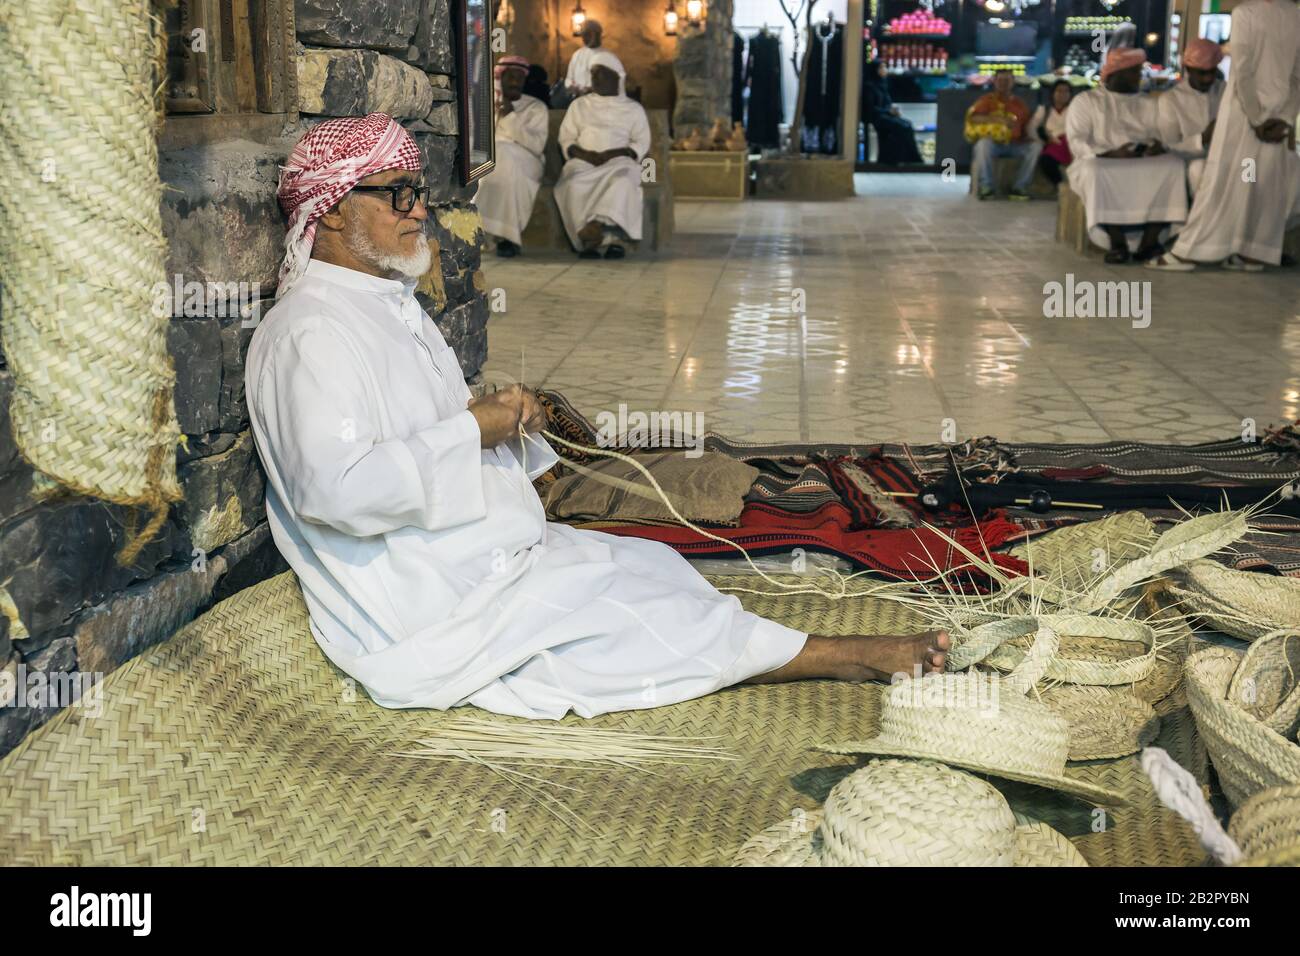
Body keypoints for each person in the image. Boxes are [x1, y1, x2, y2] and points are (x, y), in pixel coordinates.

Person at [246, 113, 950, 720]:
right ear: (331, 209)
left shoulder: (383, 301)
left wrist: (495, 422)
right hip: (421, 594)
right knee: (635, 616)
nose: (419, 211)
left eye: (418, 193)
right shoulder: (311, 331)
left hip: (469, 550)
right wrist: (475, 428)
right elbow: (337, 491)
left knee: (656, 566)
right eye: (396, 195)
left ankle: (761, 644)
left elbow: (418, 433)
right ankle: (840, 658)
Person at [1148, 0, 1300, 273]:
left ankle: (1190, 252)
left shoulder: (1245, 13)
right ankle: (1249, 252)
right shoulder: (1296, 14)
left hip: (1246, 115)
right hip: (1276, 119)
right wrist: (1284, 119)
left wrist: (1257, 120)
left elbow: (1243, 72)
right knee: (1254, 180)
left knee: (1223, 179)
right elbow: (1297, 76)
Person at [1065, 47, 1188, 264]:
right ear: (1116, 73)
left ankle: (1149, 241)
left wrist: (1157, 147)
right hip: (1101, 160)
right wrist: (1109, 153)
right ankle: (1117, 240)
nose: (1139, 77)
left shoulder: (1149, 103)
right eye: (1134, 72)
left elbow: (1164, 136)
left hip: (1142, 161)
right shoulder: (1087, 100)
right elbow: (1077, 140)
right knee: (1095, 171)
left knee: (1174, 165)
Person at [554, 52, 650, 259]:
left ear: (617, 77)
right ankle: (594, 241)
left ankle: (600, 231)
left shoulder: (633, 109)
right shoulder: (579, 105)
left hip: (619, 161)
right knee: (571, 184)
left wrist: (610, 154)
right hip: (583, 162)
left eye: (601, 74)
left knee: (624, 181)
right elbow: (567, 138)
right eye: (593, 74)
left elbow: (641, 143)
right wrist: (586, 155)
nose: (595, 79)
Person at [475, 55, 548, 258]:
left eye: (519, 78)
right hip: (489, 157)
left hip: (528, 159)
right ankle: (492, 234)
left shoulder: (536, 107)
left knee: (504, 158)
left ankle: (502, 236)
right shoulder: (484, 104)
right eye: (510, 77)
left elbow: (536, 145)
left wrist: (510, 116)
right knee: (493, 163)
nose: (515, 82)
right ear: (500, 78)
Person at [1156, 38, 1227, 197]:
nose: (1208, 79)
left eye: (1212, 72)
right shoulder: (1171, 100)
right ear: (1188, 69)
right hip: (1190, 165)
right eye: (1202, 73)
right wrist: (1203, 139)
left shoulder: (1226, 91)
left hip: (1228, 159)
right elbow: (1170, 147)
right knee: (1199, 168)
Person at [966, 70, 1042, 200]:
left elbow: (1027, 128)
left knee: (1036, 147)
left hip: (1016, 145)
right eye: (1000, 80)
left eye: (1007, 80)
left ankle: (1020, 187)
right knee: (983, 144)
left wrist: (1035, 138)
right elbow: (974, 118)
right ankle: (987, 187)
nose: (1003, 83)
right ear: (994, 82)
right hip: (994, 144)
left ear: (1013, 82)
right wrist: (997, 120)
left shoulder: (1019, 104)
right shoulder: (986, 100)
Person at [862, 60, 922, 165]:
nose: (884, 70)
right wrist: (888, 111)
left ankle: (909, 158)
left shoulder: (883, 84)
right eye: (881, 67)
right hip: (877, 117)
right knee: (902, 127)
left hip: (885, 115)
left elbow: (887, 103)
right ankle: (911, 159)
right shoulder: (870, 86)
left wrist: (893, 110)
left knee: (907, 124)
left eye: (885, 67)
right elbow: (870, 108)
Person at [1031, 79, 1074, 189]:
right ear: (1053, 93)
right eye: (1059, 91)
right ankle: (1060, 187)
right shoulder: (1044, 110)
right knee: (1045, 161)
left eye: (1066, 91)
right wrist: (1042, 140)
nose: (1062, 94)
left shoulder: (1075, 109)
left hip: (1071, 142)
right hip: (1053, 143)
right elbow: (1031, 127)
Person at [564, 18, 604, 95]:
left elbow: (611, 85)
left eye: (587, 35)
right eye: (583, 35)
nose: (583, 38)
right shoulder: (577, 55)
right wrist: (572, 87)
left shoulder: (607, 57)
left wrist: (592, 89)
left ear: (598, 34)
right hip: (579, 100)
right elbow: (569, 79)